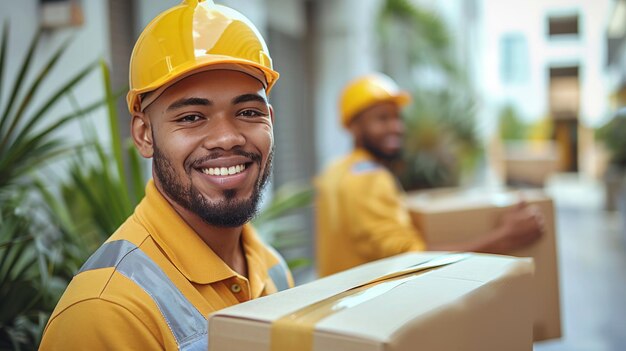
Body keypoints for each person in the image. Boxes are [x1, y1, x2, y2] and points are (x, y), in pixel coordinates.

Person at [39, 1, 292, 349]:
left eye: (248, 112)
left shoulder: (274, 269)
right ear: (144, 135)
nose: (227, 138)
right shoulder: (105, 310)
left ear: (270, 122)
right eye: (191, 117)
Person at [316, 73, 544, 277]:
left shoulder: (334, 170)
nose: (395, 127)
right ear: (354, 127)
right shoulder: (371, 179)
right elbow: (411, 262)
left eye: (397, 117)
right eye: (382, 119)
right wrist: (505, 237)